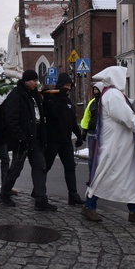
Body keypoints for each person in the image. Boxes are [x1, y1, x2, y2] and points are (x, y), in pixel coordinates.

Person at [81, 66, 135, 223]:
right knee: (104, 173)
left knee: (130, 176)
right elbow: (125, 115)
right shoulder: (113, 95)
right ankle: (89, 205)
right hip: (114, 144)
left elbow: (127, 107)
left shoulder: (114, 94)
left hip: (122, 145)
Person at [0, 70, 56, 211]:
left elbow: (40, 117)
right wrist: (20, 137)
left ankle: (41, 199)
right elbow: (11, 120)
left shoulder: (35, 96)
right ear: (25, 81)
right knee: (16, 168)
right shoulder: (16, 95)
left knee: (40, 166)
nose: (35, 83)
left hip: (35, 138)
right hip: (22, 140)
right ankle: (4, 193)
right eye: (32, 81)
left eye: (36, 80)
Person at [42, 72, 85, 205]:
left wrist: (79, 135)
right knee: (46, 166)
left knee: (70, 167)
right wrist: (57, 97)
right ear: (60, 85)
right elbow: (53, 114)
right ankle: (38, 191)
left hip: (66, 140)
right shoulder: (51, 98)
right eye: (66, 85)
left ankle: (73, 194)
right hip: (53, 139)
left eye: (70, 85)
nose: (69, 88)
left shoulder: (68, 102)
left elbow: (72, 121)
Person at [80, 82, 104, 179]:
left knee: (102, 157)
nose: (95, 91)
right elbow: (86, 117)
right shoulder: (92, 102)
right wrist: (84, 131)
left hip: (103, 134)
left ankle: (101, 177)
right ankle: (92, 176)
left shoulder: (106, 102)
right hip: (92, 133)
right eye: (94, 89)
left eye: (97, 89)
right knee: (91, 157)